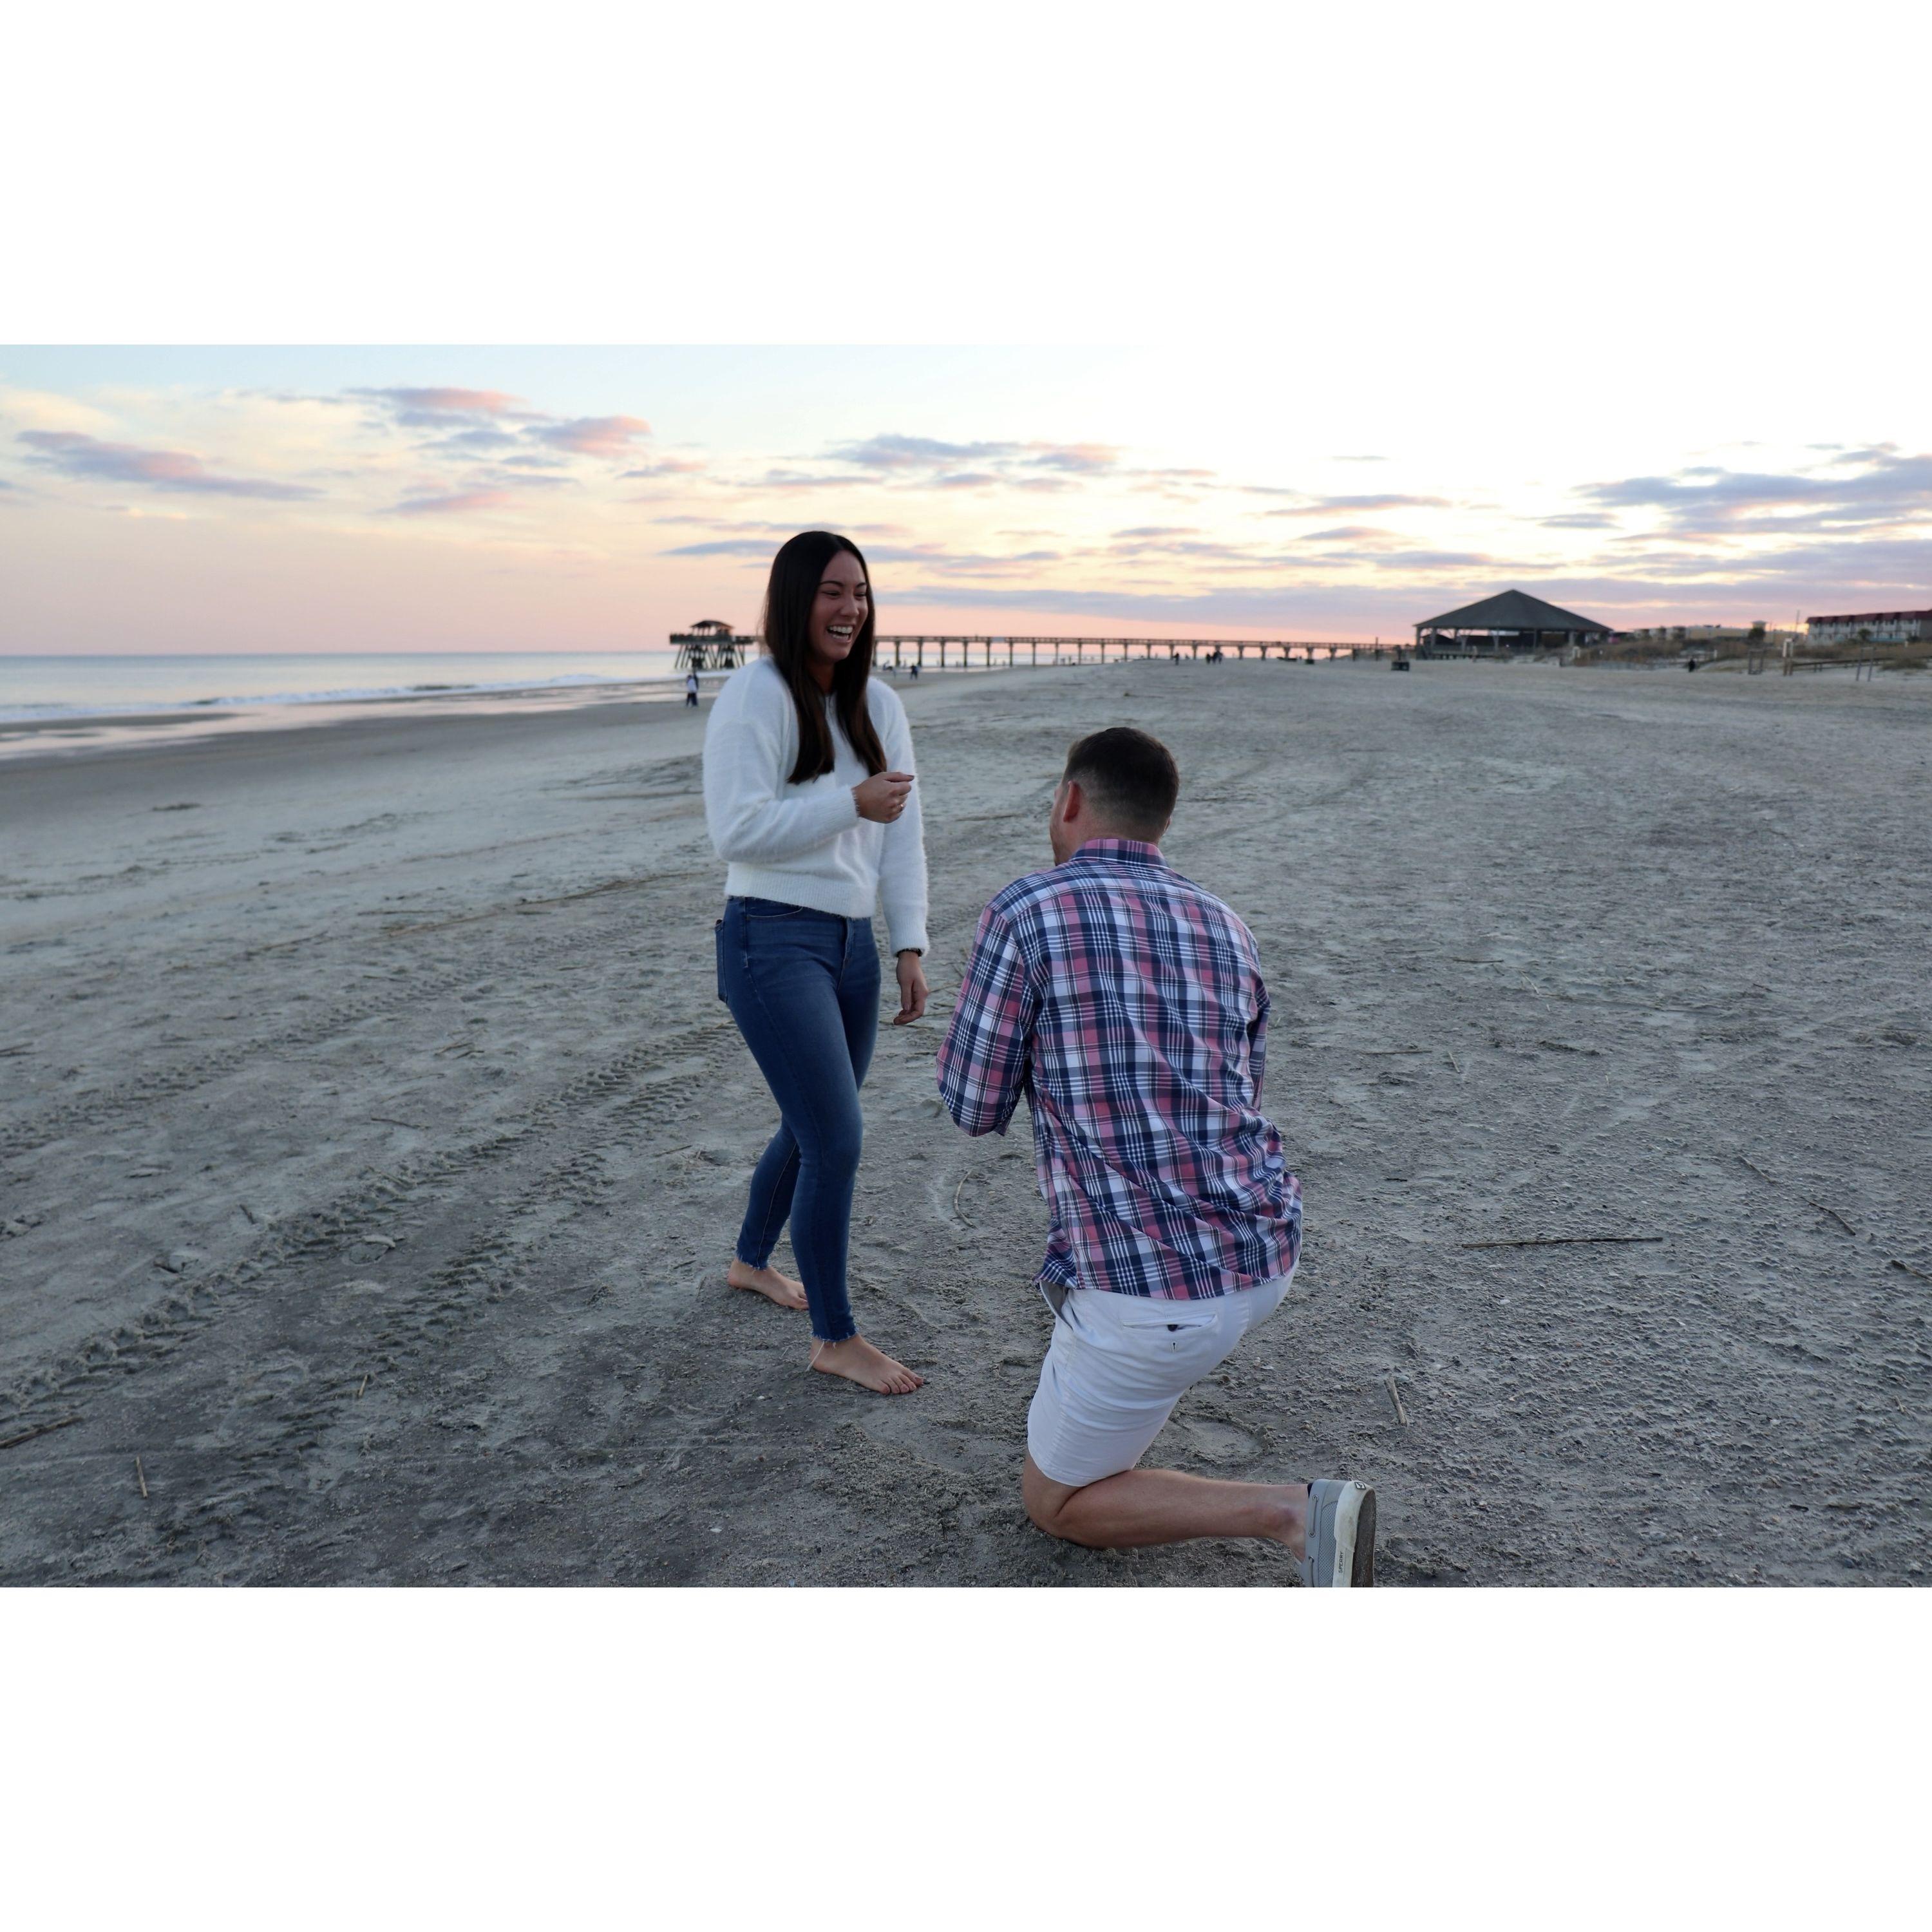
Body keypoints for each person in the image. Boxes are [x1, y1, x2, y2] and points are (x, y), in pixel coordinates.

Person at [936, 726, 1376, 1584]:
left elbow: (973, 1107)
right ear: (1162, 821)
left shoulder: (1027, 910)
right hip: (1264, 1249)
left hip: (1154, 1294)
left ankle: (1294, 1513)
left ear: (1069, 800)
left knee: (1057, 1502)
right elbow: (1238, 1091)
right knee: (1135, 1361)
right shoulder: (1226, 923)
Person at [702, 531, 930, 1396]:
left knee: (814, 1126)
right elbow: (736, 831)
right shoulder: (754, 694)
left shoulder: (880, 705)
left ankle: (750, 1261)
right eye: (833, 592)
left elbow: (904, 835)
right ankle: (836, 1338)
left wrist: (909, 943)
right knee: (836, 1137)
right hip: (769, 937)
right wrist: (849, 804)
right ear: (796, 599)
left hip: (851, 945)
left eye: (860, 593)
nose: (850, 609)